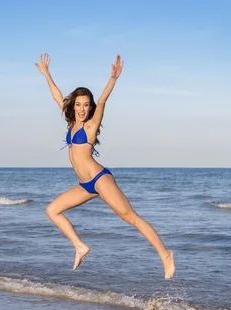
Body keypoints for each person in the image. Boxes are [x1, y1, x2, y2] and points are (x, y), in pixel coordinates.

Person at [35, 53, 175, 279]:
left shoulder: (89, 127)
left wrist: (113, 79)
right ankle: (80, 246)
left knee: (130, 217)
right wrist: (46, 74)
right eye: (79, 104)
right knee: (52, 210)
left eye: (86, 105)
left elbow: (103, 100)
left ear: (90, 108)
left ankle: (165, 254)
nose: (82, 109)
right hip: (85, 185)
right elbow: (57, 96)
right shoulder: (71, 123)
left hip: (100, 179)